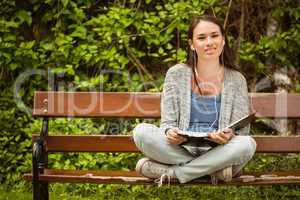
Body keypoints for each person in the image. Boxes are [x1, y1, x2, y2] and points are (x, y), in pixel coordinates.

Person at [132, 15, 257, 185]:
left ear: (223, 40)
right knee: (141, 132)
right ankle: (213, 172)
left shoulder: (237, 79)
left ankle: (174, 173)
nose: (209, 42)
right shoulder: (176, 74)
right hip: (182, 149)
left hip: (220, 150)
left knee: (247, 144)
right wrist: (170, 132)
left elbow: (241, 131)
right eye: (201, 38)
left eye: (214, 36)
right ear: (192, 44)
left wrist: (229, 135)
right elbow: (168, 123)